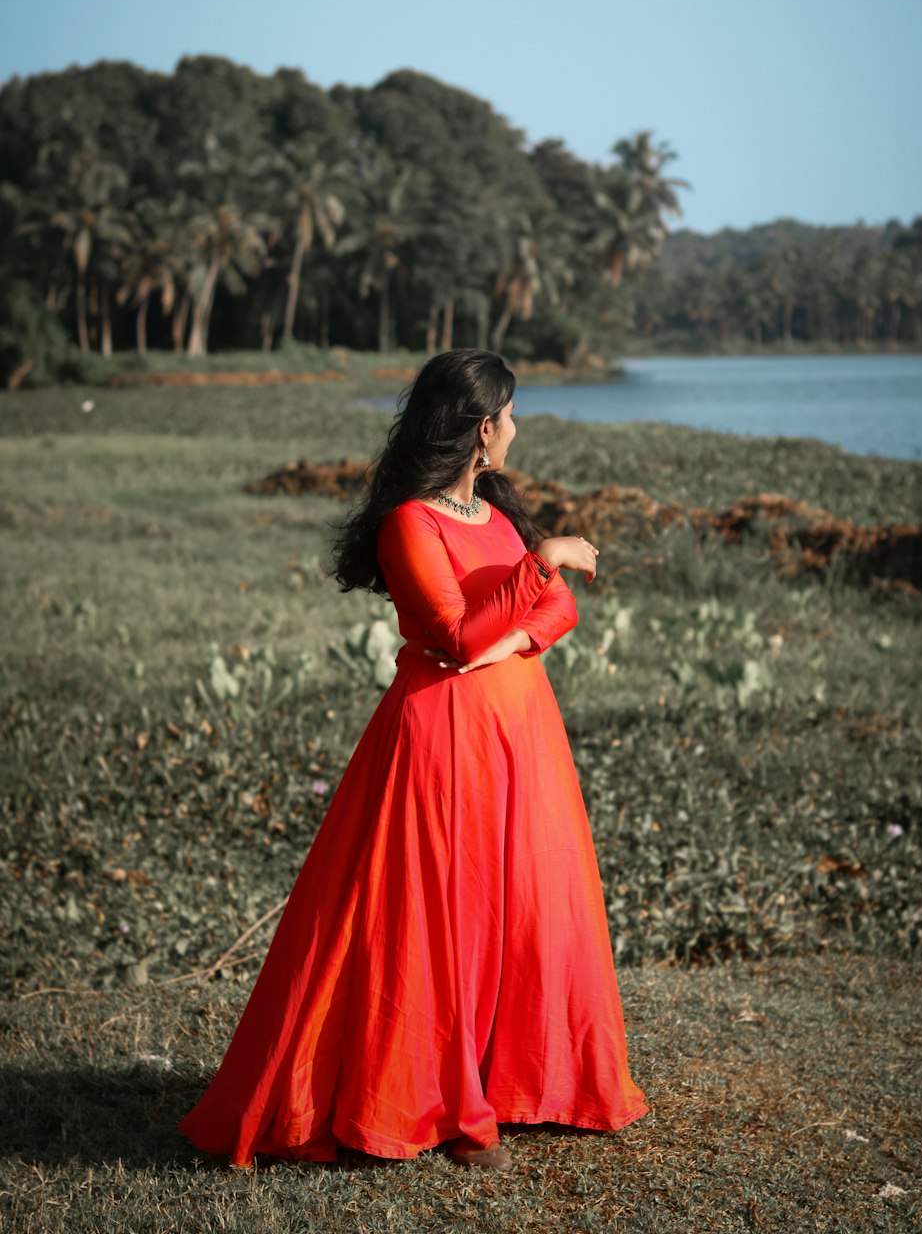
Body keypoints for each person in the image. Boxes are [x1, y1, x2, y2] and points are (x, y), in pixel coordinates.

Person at [178, 349, 647, 1172]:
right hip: (441, 741)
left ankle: (505, 1084)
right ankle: (436, 1104)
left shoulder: (495, 514)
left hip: (522, 736)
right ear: (478, 428)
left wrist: (512, 628)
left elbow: (556, 616)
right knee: (438, 919)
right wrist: (541, 567)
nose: (517, 428)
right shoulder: (409, 523)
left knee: (521, 908)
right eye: (509, 415)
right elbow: (453, 635)